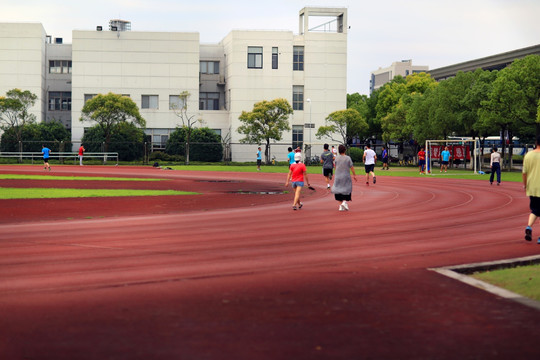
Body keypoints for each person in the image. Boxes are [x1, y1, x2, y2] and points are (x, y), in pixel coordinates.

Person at [522, 135, 540, 243]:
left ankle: (529, 226)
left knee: (535, 210)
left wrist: (525, 185)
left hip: (532, 187)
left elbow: (524, 172)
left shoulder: (528, 155)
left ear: (536, 142)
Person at [331, 144, 357, 211]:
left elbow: (335, 167)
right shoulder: (348, 158)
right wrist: (354, 175)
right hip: (346, 176)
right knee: (346, 189)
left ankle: (340, 205)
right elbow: (352, 167)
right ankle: (344, 202)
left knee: (338, 190)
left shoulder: (336, 158)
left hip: (338, 176)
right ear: (345, 150)